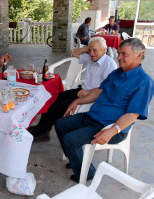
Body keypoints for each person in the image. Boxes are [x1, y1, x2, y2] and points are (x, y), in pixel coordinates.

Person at [55, 38, 154, 183]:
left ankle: (88, 173)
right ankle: (77, 159)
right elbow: (99, 92)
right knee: (60, 124)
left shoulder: (144, 82)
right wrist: (77, 101)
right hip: (92, 116)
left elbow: (133, 114)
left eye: (124, 54)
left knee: (70, 140)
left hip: (109, 127)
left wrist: (113, 130)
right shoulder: (117, 73)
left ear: (138, 56)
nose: (119, 57)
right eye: (119, 53)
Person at [29, 37, 117, 141]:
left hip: (93, 96)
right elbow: (74, 53)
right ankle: (41, 128)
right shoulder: (91, 57)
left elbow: (107, 89)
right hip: (82, 90)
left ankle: (44, 130)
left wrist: (88, 92)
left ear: (104, 50)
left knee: (59, 105)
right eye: (90, 50)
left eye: (95, 50)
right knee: (52, 98)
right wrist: (87, 48)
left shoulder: (110, 65)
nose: (92, 53)